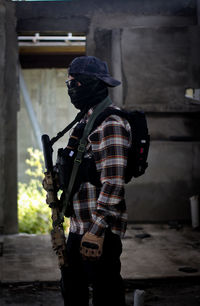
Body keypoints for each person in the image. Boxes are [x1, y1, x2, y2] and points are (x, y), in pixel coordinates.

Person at [49, 56, 131, 306]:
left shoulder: (111, 123)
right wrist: (56, 180)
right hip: (78, 227)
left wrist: (95, 232)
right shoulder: (84, 122)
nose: (70, 89)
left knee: (106, 296)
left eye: (74, 83)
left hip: (99, 233)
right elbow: (77, 168)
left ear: (91, 84)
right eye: (68, 83)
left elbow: (113, 183)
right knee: (73, 293)